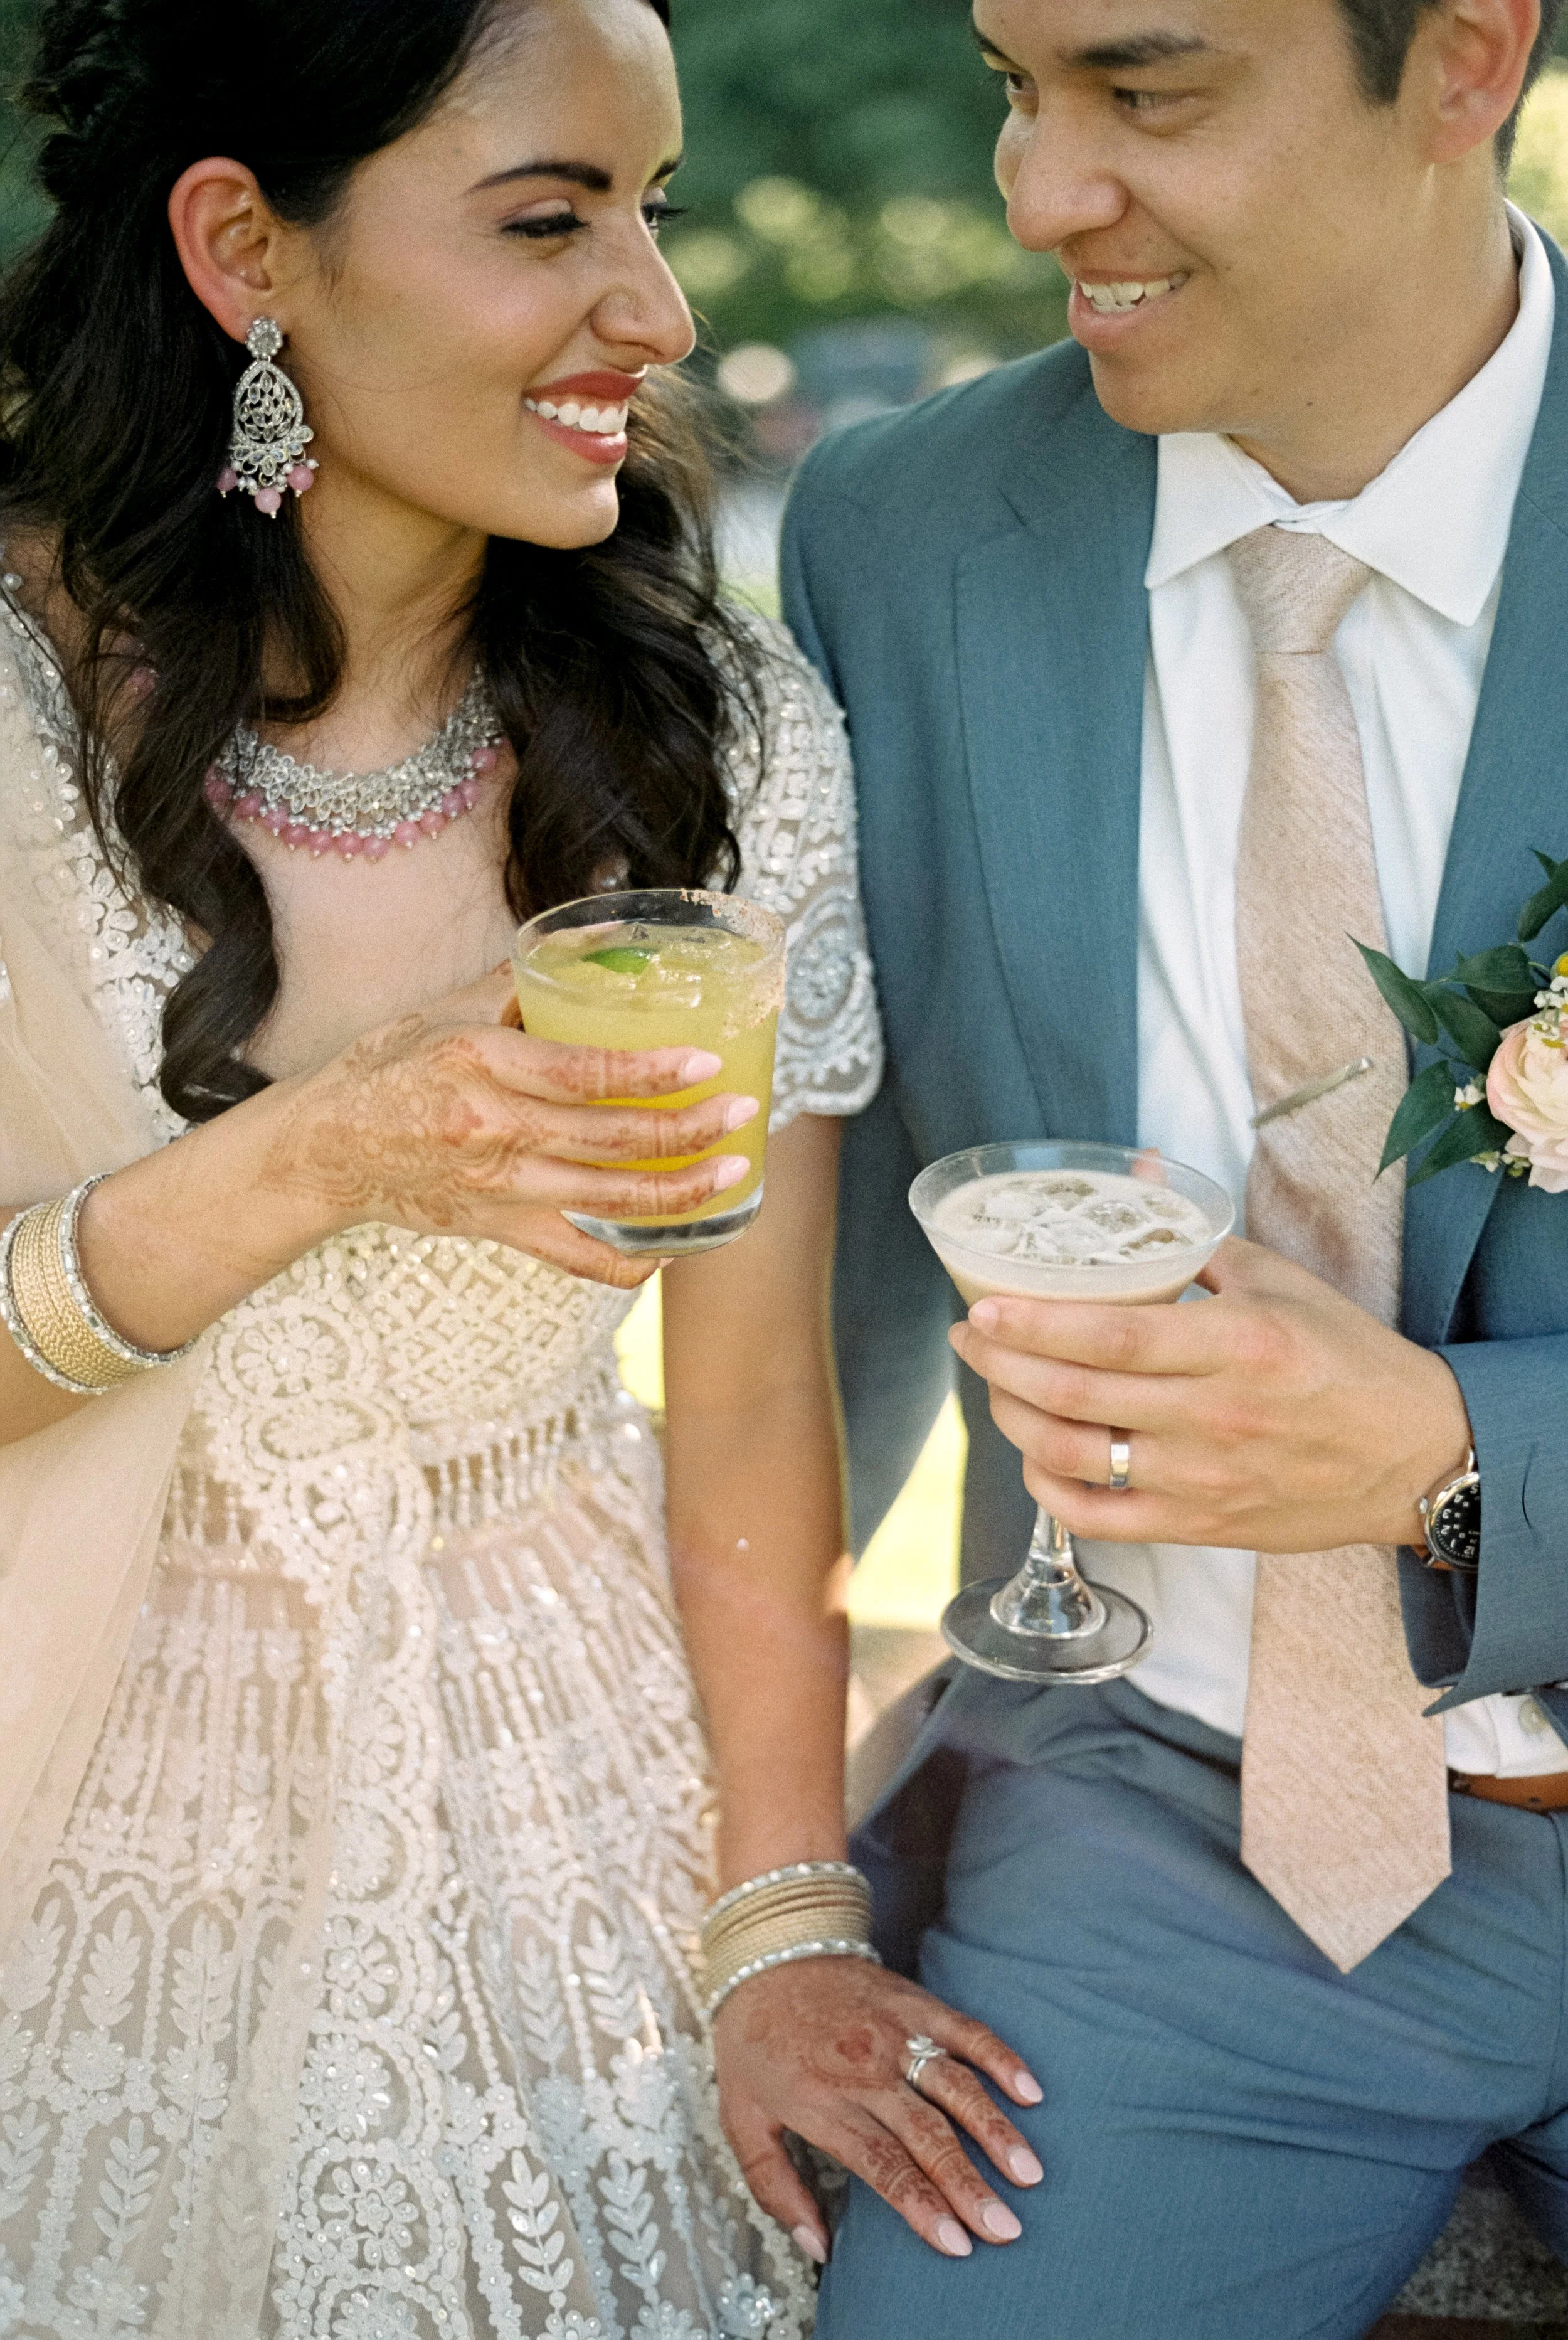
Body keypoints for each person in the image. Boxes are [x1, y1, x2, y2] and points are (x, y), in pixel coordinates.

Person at [0, 0, 924, 2328]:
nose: (659, 309)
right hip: (68, 1759)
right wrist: (328, 1150)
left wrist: (782, 1921)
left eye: (654, 212)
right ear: (247, 248)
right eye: (550, 219)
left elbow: (739, 1400)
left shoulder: (725, 738)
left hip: (561, 1765)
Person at [769, 0, 1568, 2333]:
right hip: (1159, 1824)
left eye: (1145, 90)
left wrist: (1452, 1455)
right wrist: (743, 1856)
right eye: (1018, 85)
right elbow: (831, 1280)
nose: (1035, 190)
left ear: (1462, 61)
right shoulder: (900, 535)